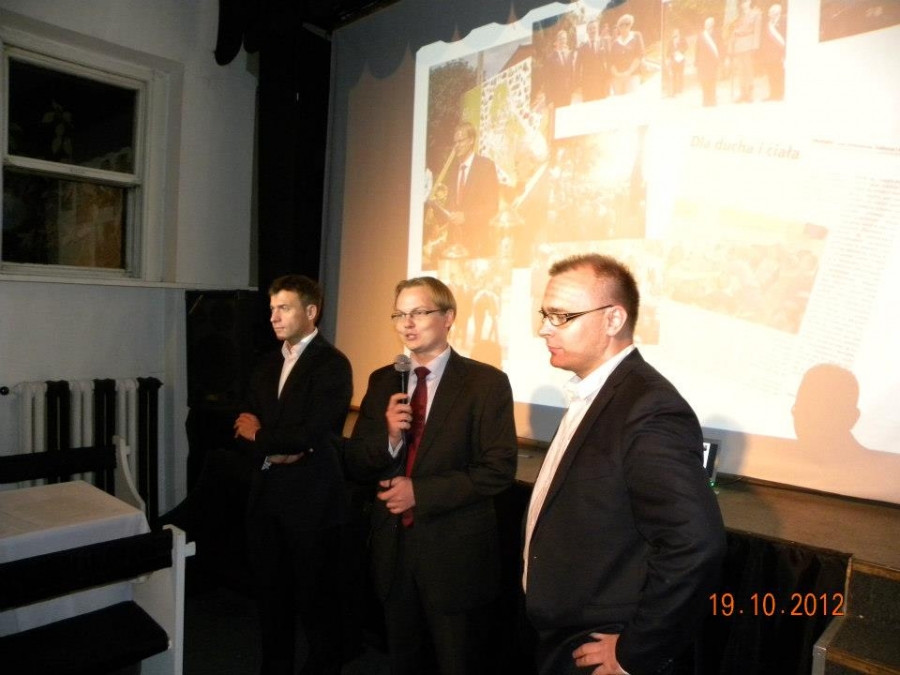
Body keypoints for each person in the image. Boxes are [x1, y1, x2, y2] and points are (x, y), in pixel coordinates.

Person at [523, 254, 726, 675]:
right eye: (546, 315)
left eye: (561, 316)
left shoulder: (649, 408)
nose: (544, 328)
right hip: (563, 630)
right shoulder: (598, 391)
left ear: (613, 319)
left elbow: (695, 543)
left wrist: (637, 650)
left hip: (597, 643)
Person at [343, 276, 517, 675]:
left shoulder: (485, 383)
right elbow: (356, 462)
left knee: (458, 663)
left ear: (448, 317)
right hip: (393, 550)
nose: (407, 323)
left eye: (419, 312)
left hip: (454, 555)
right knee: (402, 662)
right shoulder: (384, 380)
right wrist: (389, 436)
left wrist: (419, 492)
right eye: (399, 314)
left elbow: (498, 469)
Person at [234, 274, 353, 675]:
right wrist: (273, 444)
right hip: (266, 496)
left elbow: (312, 433)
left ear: (311, 311)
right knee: (271, 601)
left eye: (284, 308)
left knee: (317, 603)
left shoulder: (332, 364)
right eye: (272, 309)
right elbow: (243, 424)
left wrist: (264, 437)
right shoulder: (267, 363)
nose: (273, 317)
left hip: (311, 503)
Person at [446, 122, 500, 259]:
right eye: (455, 142)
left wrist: (466, 217)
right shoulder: (453, 169)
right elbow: (451, 204)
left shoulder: (485, 167)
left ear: (471, 140)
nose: (457, 145)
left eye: (460, 141)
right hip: (454, 245)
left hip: (477, 245)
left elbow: (492, 207)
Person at [730, 0, 762, 103]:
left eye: (745, 2)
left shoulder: (756, 14)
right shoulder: (738, 16)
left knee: (749, 69)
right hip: (739, 44)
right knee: (741, 70)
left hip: (749, 43)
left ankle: (750, 93)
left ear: (749, 2)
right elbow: (733, 31)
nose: (743, 4)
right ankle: (743, 93)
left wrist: (755, 45)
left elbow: (757, 31)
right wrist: (732, 45)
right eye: (742, 3)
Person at [609, 14, 645, 95]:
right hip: (617, 78)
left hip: (633, 75)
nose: (624, 26)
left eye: (627, 24)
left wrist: (628, 72)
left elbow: (639, 55)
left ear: (631, 25)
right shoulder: (615, 42)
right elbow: (611, 61)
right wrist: (617, 74)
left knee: (630, 100)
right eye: (621, 25)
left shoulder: (636, 36)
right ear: (618, 27)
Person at [577, 19, 610, 101]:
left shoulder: (604, 43)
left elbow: (609, 62)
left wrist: (609, 79)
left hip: (602, 83)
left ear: (597, 29)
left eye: (594, 28)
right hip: (587, 85)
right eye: (590, 29)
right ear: (587, 31)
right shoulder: (582, 47)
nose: (592, 30)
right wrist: (578, 85)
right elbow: (577, 66)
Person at [759, 3, 785, 100]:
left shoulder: (784, 21)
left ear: (778, 12)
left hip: (780, 53)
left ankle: (780, 93)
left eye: (772, 12)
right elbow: (764, 40)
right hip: (769, 55)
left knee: (779, 74)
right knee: (771, 75)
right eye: (769, 13)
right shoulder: (768, 24)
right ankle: (773, 94)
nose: (770, 14)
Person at [695, 16, 721, 107]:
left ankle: (712, 100)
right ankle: (705, 100)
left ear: (712, 25)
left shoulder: (717, 35)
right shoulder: (701, 36)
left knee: (712, 81)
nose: (707, 25)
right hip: (703, 63)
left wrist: (721, 59)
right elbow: (697, 50)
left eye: (709, 24)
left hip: (713, 62)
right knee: (704, 82)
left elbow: (720, 47)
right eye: (706, 24)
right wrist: (696, 63)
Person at [665, 28, 688, 96]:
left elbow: (686, 47)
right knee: (674, 75)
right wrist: (672, 54)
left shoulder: (682, 39)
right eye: (674, 33)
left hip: (681, 59)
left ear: (679, 33)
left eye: (677, 33)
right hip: (673, 60)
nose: (675, 34)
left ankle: (680, 89)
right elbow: (667, 52)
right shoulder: (670, 41)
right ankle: (674, 90)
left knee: (681, 74)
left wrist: (680, 51)